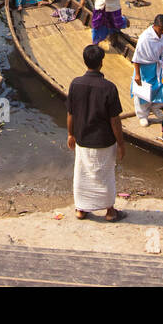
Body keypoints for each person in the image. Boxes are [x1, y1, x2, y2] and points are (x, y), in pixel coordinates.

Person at [67, 44, 127, 222]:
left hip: (83, 138)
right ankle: (110, 211)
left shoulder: (75, 84)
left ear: (85, 62)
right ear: (101, 63)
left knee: (82, 173)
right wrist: (121, 144)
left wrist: (71, 134)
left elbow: (70, 113)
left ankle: (81, 209)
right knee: (105, 175)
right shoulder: (109, 88)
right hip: (104, 140)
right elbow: (114, 120)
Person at [131, 15, 163, 126]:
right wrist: (137, 75)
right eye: (160, 30)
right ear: (154, 26)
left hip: (159, 65)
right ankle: (142, 115)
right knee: (143, 92)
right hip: (145, 67)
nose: (162, 32)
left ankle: (155, 106)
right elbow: (136, 57)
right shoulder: (145, 37)